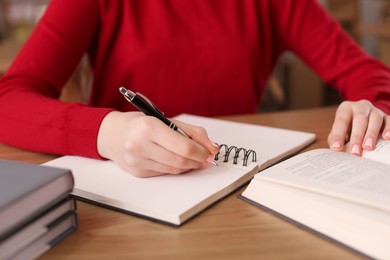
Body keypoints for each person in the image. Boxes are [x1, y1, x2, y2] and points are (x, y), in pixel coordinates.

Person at [0, 0, 389, 178]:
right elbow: (9, 99)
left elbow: (366, 72)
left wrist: (371, 106)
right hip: (121, 192)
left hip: (238, 193)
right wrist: (106, 131)